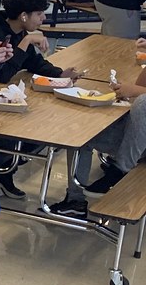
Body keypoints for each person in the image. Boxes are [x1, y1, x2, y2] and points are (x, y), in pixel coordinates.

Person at [0, 0, 79, 200]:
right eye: (40, 13)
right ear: (24, 15)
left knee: (45, 124)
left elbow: (34, 62)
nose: (44, 18)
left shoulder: (20, 32)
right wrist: (25, 42)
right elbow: (0, 75)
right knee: (15, 129)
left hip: (0, 98)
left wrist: (60, 74)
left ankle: (7, 168)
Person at [49, 38, 146, 217]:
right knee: (83, 134)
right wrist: (126, 91)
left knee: (143, 103)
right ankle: (74, 201)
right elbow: (138, 88)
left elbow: (139, 96)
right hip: (139, 139)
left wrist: (134, 92)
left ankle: (121, 170)